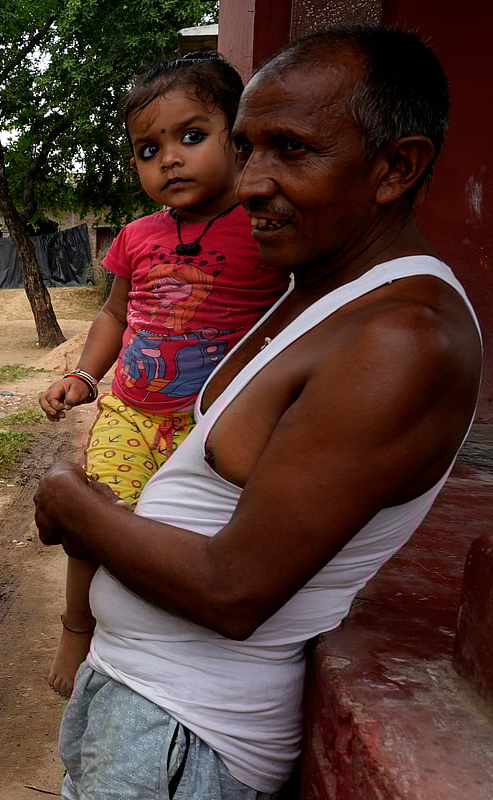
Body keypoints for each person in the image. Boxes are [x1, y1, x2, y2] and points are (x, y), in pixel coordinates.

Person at [35, 25, 481, 800]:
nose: (250, 184)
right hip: (142, 710)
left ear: (396, 167)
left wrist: (74, 503)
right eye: (247, 150)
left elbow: (233, 591)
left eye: (292, 150)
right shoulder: (317, 295)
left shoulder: (402, 337)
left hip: (183, 735)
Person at [37, 53, 288, 698]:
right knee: (97, 514)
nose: (169, 159)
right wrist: (84, 378)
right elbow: (115, 315)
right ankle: (75, 625)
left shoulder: (265, 231)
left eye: (191, 136)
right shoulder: (137, 236)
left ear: (239, 138)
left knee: (188, 532)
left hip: (213, 421)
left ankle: (168, 638)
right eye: (149, 149)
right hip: (130, 408)